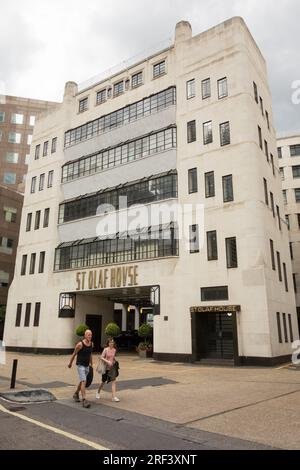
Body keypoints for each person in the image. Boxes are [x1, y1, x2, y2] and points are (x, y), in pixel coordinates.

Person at [68, 329, 93, 408]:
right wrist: (70, 363)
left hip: (87, 365)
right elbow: (74, 353)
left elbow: (90, 354)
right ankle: (84, 400)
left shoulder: (91, 344)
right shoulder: (80, 344)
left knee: (82, 381)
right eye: (88, 335)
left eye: (91, 335)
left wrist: (91, 364)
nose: (90, 336)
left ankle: (76, 393)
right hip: (80, 365)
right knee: (84, 381)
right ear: (85, 335)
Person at [96, 338, 120, 402]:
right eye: (110, 342)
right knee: (103, 381)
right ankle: (98, 392)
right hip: (105, 368)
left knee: (114, 381)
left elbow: (113, 357)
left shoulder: (114, 350)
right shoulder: (105, 350)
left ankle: (113, 397)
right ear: (108, 343)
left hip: (112, 368)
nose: (111, 343)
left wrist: (114, 361)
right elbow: (101, 357)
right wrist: (107, 361)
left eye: (112, 342)